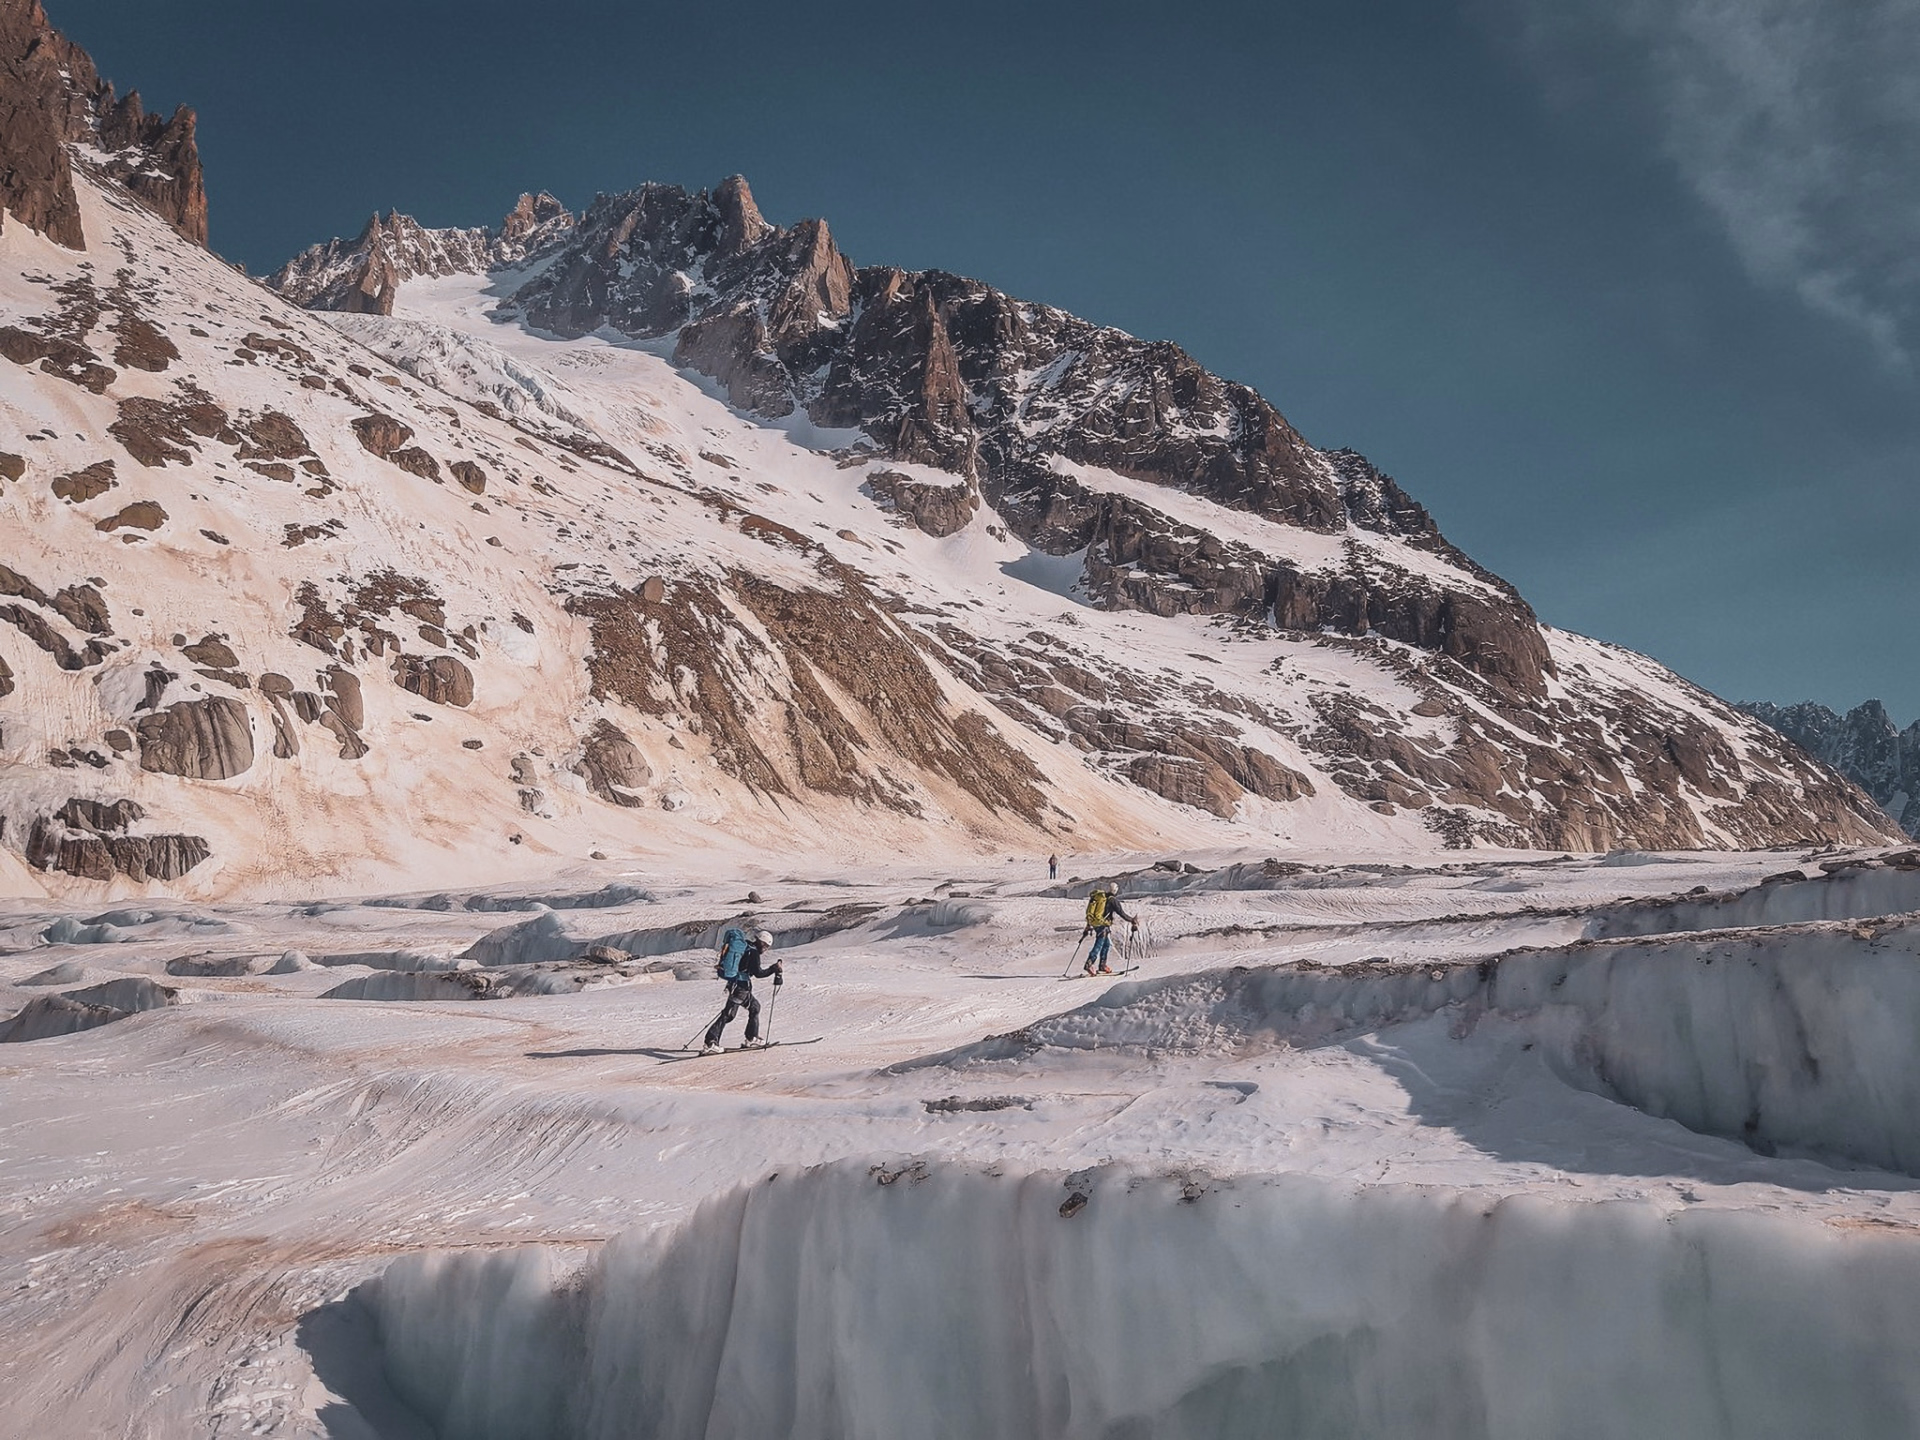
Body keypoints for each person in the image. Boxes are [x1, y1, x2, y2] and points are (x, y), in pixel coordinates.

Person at [703, 926, 782, 1052]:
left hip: (737, 984)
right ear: (762, 943)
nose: (765, 949)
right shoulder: (754, 952)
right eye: (766, 946)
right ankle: (711, 1042)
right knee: (728, 1015)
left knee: (753, 1007)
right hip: (741, 987)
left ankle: (751, 1038)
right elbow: (758, 973)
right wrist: (773, 969)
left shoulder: (747, 947)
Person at [1081, 883, 1137, 976]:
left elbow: (1094, 914)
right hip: (1103, 924)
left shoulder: (1102, 898)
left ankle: (1102, 965)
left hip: (1096, 924)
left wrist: (1088, 925)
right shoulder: (1113, 900)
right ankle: (1089, 963)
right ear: (1115, 890)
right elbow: (1121, 913)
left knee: (1106, 944)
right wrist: (1132, 920)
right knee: (1099, 944)